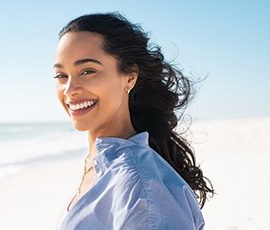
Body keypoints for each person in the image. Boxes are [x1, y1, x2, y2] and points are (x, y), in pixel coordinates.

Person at [53, 12, 214, 229]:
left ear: (129, 76)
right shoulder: (101, 163)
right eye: (61, 75)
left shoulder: (142, 192)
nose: (70, 90)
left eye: (87, 71)